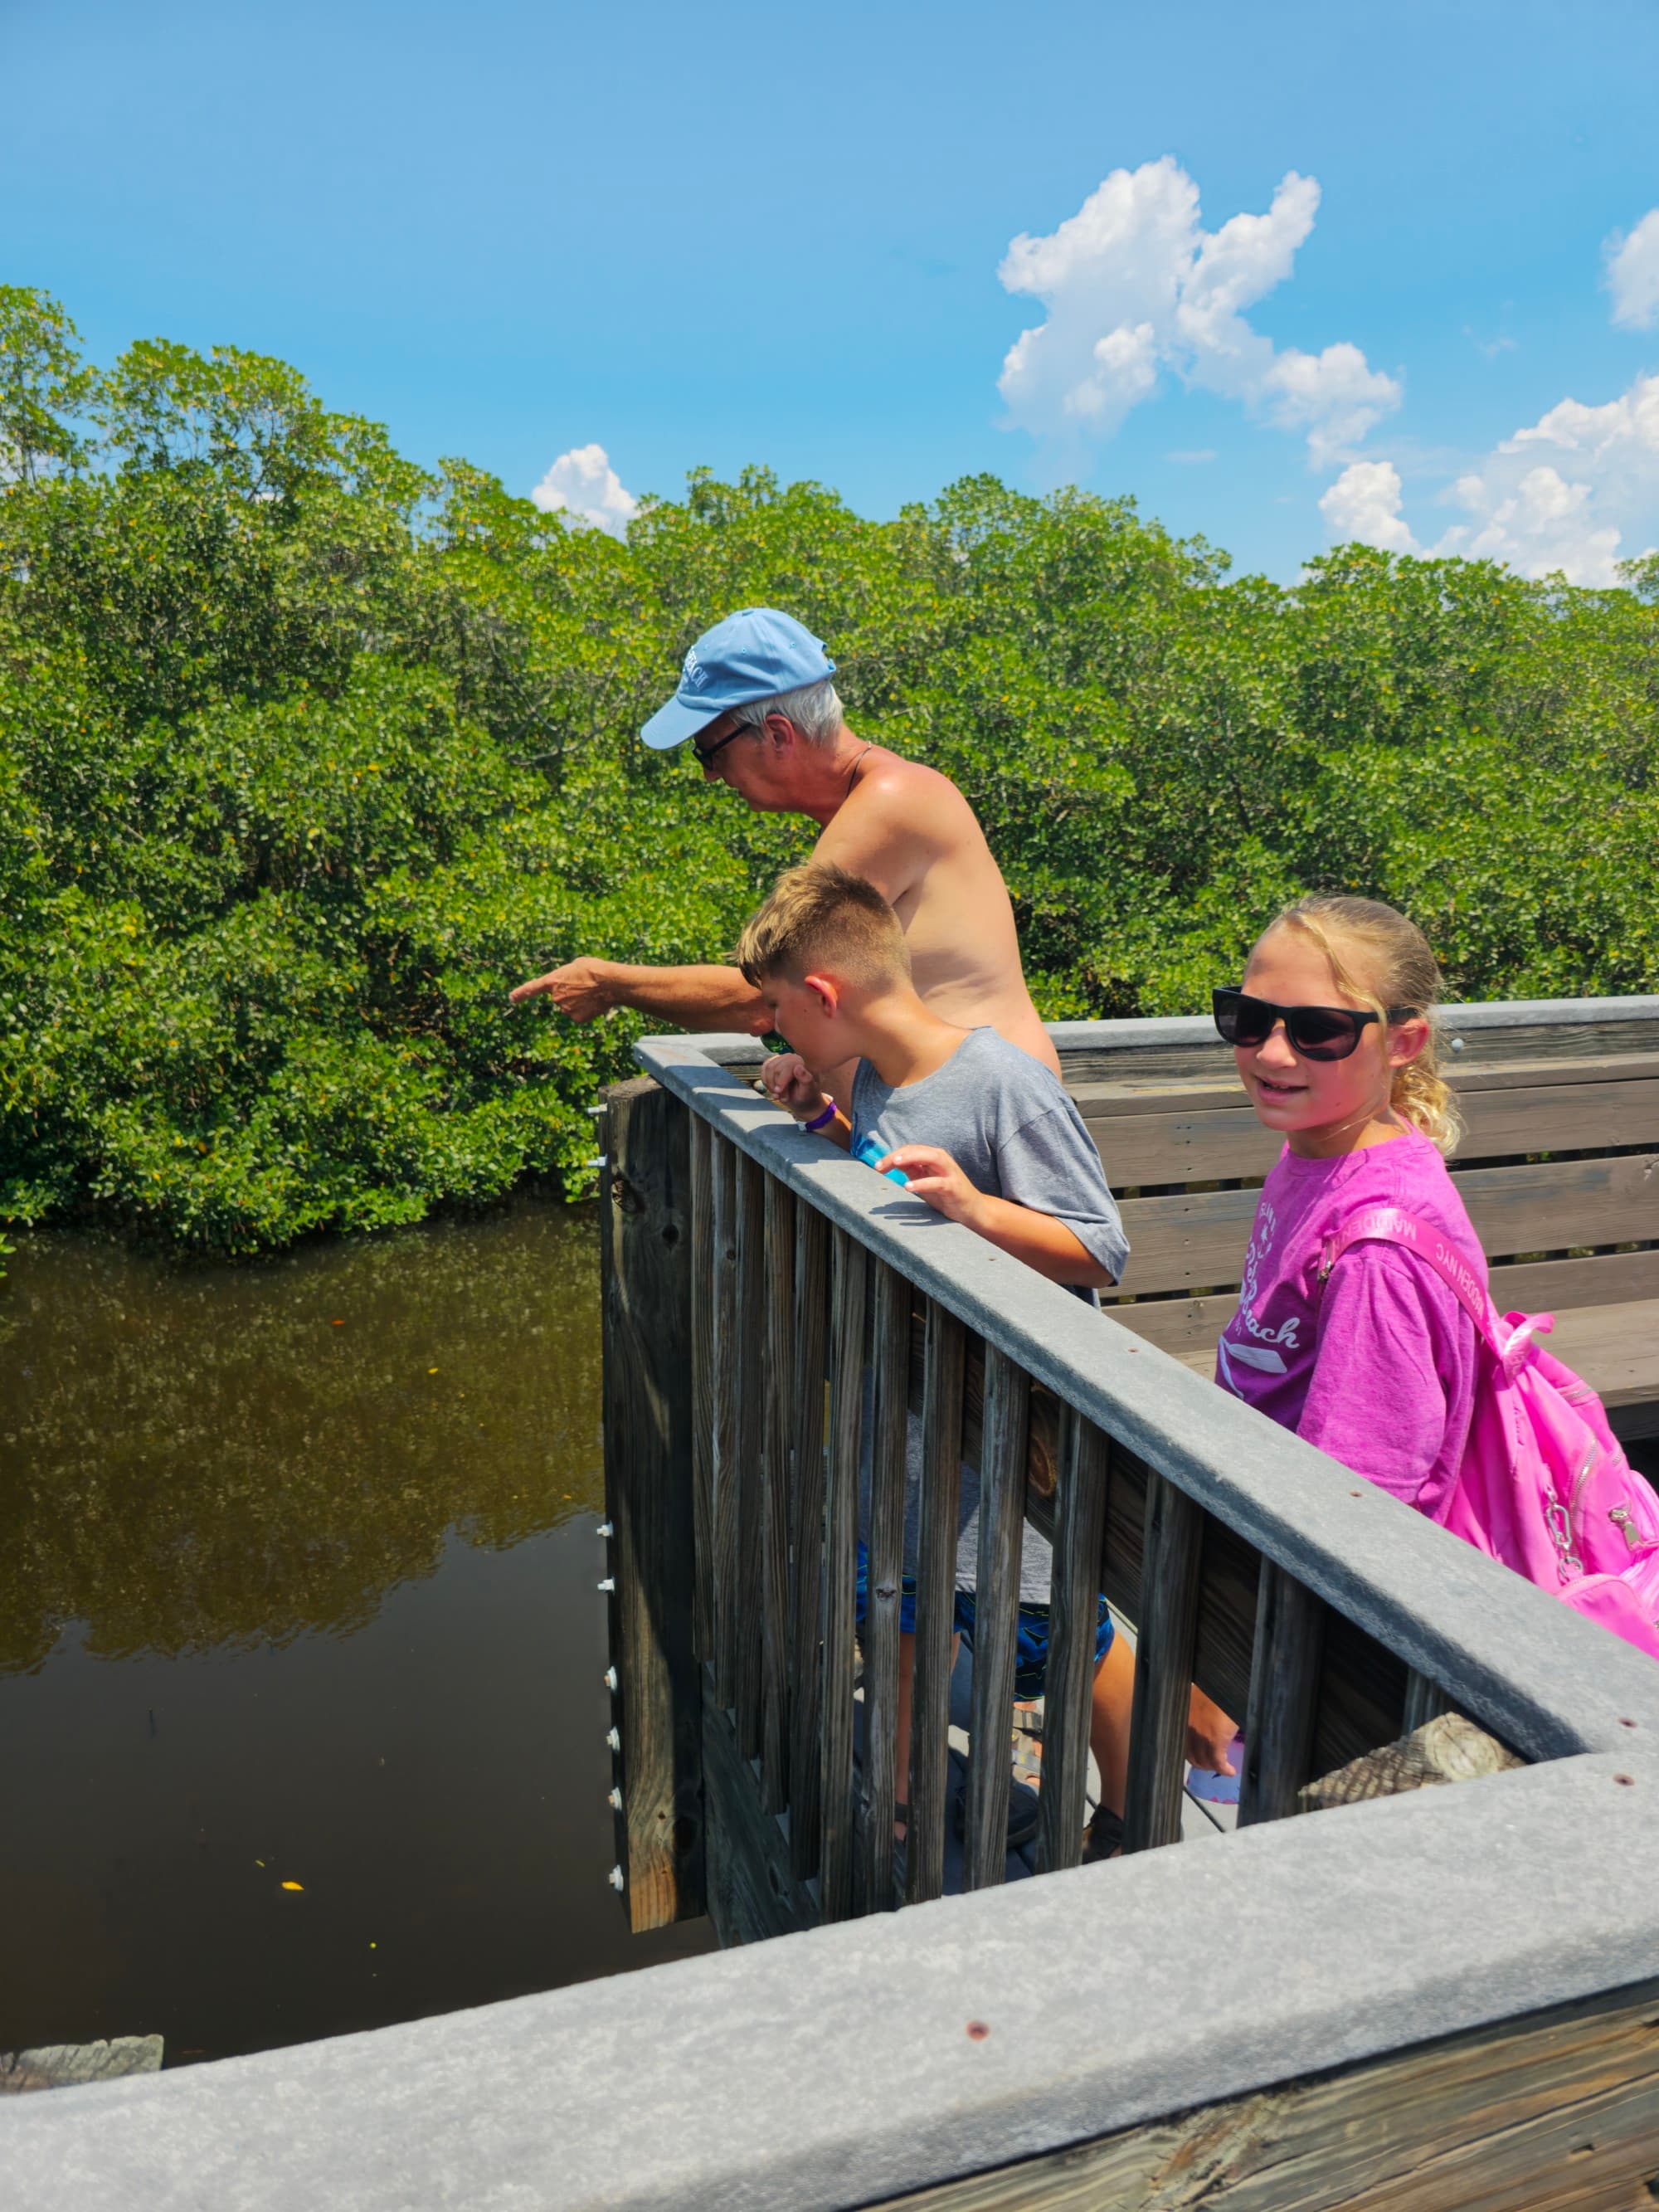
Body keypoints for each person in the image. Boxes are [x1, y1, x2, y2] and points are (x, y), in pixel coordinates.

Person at [735, 858, 1131, 1859]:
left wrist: (975, 1207)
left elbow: (1099, 1246)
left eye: (777, 1012)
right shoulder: (868, 1078)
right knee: (908, 1595)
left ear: (825, 993)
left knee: (1061, 1638)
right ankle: (907, 1797)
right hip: (909, 1415)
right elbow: (889, 1171)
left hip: (1006, 1431)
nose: (772, 1028)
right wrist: (819, 1120)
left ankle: (1127, 1809)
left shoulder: (1004, 1085)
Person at [509, 607, 1060, 1088]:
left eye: (709, 753)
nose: (709, 776)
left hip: (992, 1122)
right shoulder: (870, 802)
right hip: (948, 1117)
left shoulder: (892, 802)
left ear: (776, 735)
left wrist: (610, 983)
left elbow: (768, 999)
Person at [1212, 894, 1481, 1517]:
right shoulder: (1319, 1150)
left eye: (1320, 1030)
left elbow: (1359, 1493)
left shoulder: (1377, 1250)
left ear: (1403, 1043)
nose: (1274, 1054)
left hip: (1293, 1554)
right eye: (1250, 1017)